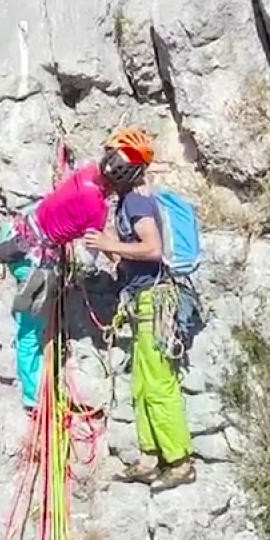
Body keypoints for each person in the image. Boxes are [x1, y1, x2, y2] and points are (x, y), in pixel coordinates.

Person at [0, 129, 156, 413]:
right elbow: (88, 258)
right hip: (34, 261)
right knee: (32, 331)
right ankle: (34, 399)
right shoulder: (97, 208)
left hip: (18, 232)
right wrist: (114, 256)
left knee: (32, 325)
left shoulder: (87, 173)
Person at [83, 134, 197, 492]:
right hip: (142, 300)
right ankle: (150, 456)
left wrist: (107, 244)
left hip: (154, 301)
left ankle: (179, 461)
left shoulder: (136, 203)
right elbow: (136, 256)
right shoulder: (129, 202)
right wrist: (112, 253)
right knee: (142, 383)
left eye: (115, 155)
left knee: (159, 382)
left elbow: (151, 248)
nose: (109, 162)